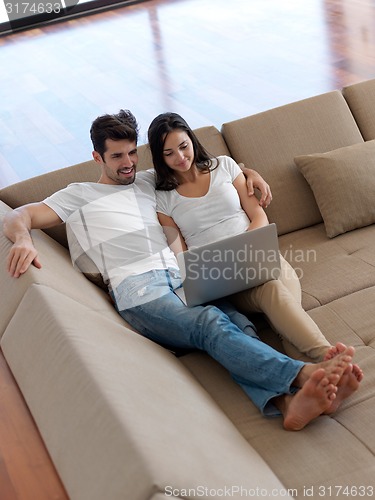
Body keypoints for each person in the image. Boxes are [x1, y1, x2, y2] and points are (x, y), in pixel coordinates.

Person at [4, 109, 362, 431]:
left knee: (239, 323)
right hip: (139, 289)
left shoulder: (148, 181)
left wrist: (248, 172)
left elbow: (204, 168)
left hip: (182, 278)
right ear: (97, 157)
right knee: (210, 324)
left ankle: (287, 404)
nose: (127, 163)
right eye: (117, 156)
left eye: (132, 152)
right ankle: (305, 374)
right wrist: (22, 239)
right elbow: (21, 215)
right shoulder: (77, 194)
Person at [148, 112, 335, 362]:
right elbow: (180, 253)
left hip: (260, 257)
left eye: (183, 146)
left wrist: (246, 248)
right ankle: (329, 357)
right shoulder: (163, 198)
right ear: (160, 158)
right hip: (224, 279)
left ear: (192, 140)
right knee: (273, 291)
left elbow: (258, 215)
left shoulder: (225, 165)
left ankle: (322, 374)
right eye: (169, 153)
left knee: (281, 311)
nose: (180, 157)